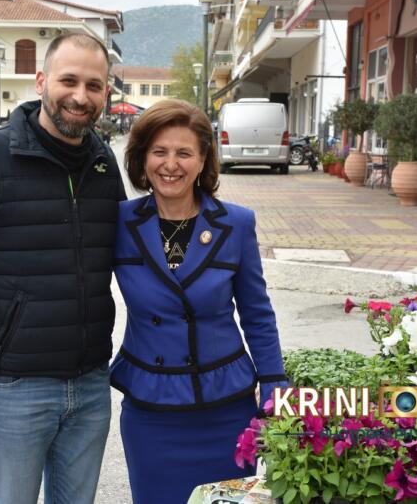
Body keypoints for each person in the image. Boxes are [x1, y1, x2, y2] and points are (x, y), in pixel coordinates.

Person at [0, 33, 126, 504]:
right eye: (68, 81)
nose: (80, 96)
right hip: (15, 387)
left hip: (91, 382)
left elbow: (121, 253)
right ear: (41, 82)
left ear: (105, 92)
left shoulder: (102, 160)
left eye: (94, 85)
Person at [110, 99, 288, 503]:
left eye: (184, 153)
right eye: (159, 151)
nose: (171, 164)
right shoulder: (120, 221)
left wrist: (274, 383)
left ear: (203, 158)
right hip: (151, 410)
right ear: (142, 158)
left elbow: (257, 314)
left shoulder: (236, 223)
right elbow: (76, 281)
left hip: (225, 408)